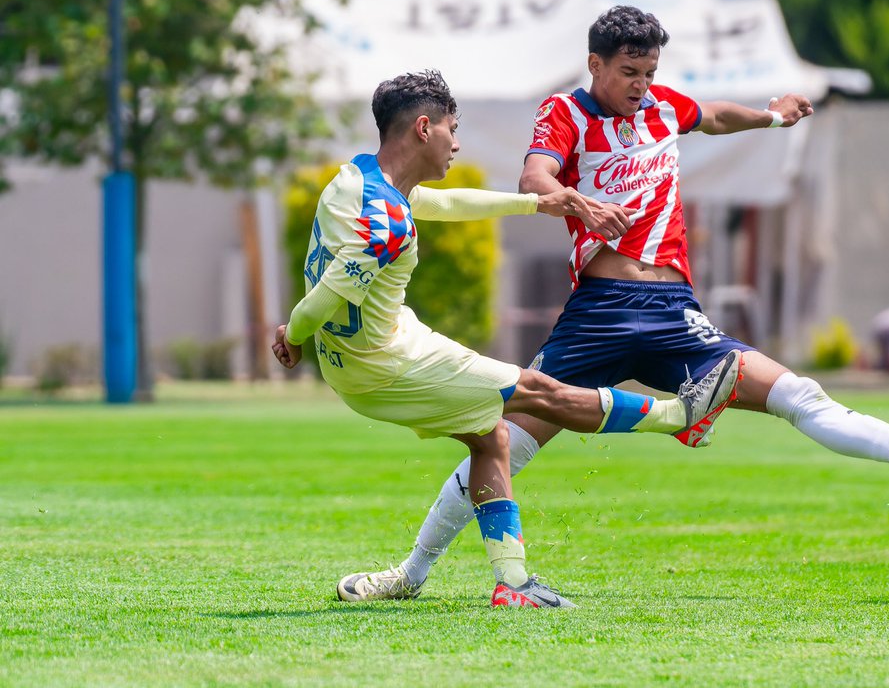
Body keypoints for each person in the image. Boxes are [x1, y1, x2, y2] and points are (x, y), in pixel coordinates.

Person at [372, 6, 889, 603]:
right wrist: (578, 201)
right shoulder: (564, 112)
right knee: (502, 441)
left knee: (799, 396)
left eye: (650, 73)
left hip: (675, 313)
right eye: (628, 73)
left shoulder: (663, 105)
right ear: (595, 65)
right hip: (600, 312)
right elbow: (534, 177)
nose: (642, 86)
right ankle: (411, 572)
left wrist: (772, 117)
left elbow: (713, 115)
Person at [272, 69, 742, 609]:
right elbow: (333, 292)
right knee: (539, 392)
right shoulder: (387, 223)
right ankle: (678, 417)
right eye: (452, 128)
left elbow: (438, 206)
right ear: (424, 128)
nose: (458, 142)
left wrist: (538, 203)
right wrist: (295, 332)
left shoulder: (357, 180)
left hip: (371, 350)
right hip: (386, 363)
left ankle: (494, 582)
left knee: (492, 438)